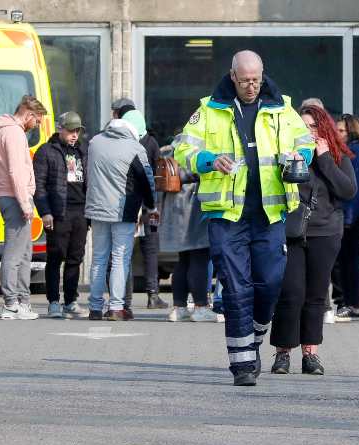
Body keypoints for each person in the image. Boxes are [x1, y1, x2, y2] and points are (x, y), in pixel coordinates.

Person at [174, 50, 315, 386]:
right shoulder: (208, 110)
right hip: (227, 215)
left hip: (270, 214)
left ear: (262, 75)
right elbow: (183, 149)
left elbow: (306, 140)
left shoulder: (282, 107)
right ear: (233, 76)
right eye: (245, 80)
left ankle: (254, 337)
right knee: (236, 288)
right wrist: (209, 159)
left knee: (269, 284)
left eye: (257, 79)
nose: (252, 86)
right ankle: (242, 365)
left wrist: (301, 154)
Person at [269, 105, 357, 375]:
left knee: (317, 295)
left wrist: (326, 158)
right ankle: (283, 353)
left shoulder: (336, 155)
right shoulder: (288, 153)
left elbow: (348, 190)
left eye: (313, 126)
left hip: (325, 232)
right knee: (291, 292)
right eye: (303, 126)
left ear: (324, 128)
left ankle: (310, 353)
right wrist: (291, 161)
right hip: (293, 232)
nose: (308, 131)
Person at [85, 109, 156, 321]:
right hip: (123, 210)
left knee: (98, 258)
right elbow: (147, 179)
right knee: (119, 259)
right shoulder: (134, 147)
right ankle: (116, 307)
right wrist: (151, 206)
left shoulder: (94, 143)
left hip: (97, 209)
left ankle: (95, 308)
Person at [0, 95, 48, 320]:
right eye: (38, 120)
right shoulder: (13, 133)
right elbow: (16, 170)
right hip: (16, 196)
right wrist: (25, 202)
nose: (38, 125)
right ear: (29, 114)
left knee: (24, 252)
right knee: (15, 253)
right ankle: (12, 303)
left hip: (7, 194)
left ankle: (22, 301)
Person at [111, 98, 168, 312]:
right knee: (150, 249)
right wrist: (154, 204)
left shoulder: (121, 142)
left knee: (122, 250)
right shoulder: (151, 143)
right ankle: (153, 295)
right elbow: (156, 174)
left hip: (125, 201)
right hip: (148, 202)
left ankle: (124, 299)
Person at [33, 111, 89, 319]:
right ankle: (54, 301)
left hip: (81, 210)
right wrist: (45, 212)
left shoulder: (84, 150)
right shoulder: (46, 151)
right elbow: (38, 185)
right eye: (71, 130)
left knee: (76, 257)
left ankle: (71, 300)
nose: (75, 135)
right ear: (60, 129)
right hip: (58, 212)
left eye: (77, 131)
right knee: (56, 257)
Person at [157, 151, 216, 322]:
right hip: (193, 206)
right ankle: (200, 307)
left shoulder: (173, 147)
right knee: (199, 258)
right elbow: (200, 169)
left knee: (183, 260)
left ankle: (179, 307)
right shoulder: (197, 146)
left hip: (175, 208)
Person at [334, 113, 359, 320]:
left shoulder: (356, 152)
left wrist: (348, 218)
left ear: (351, 132)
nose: (338, 134)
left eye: (341, 131)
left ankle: (352, 305)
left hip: (355, 214)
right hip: (354, 213)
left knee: (351, 259)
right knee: (346, 259)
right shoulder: (352, 151)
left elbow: (355, 189)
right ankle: (348, 303)